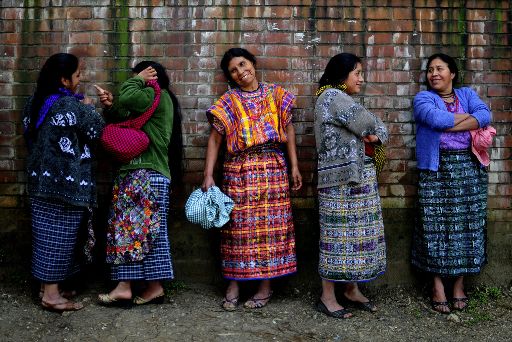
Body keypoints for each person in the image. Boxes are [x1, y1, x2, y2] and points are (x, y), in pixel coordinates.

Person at [202, 48, 302, 311]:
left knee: (271, 232)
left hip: (273, 171)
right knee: (237, 230)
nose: (240, 72)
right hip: (239, 172)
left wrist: (294, 167)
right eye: (233, 70)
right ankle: (233, 284)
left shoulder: (276, 95)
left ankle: (265, 287)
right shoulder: (228, 101)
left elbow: (289, 129)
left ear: (253, 64)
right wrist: (208, 174)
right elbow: (215, 140)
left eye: (243, 64)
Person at [22, 53, 105, 312]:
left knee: (46, 238)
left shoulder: (34, 103)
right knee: (60, 239)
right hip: (66, 187)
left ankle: (49, 288)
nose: (80, 80)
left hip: (39, 182)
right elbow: (98, 130)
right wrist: (91, 107)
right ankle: (51, 295)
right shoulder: (72, 107)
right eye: (77, 75)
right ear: (63, 79)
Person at [97, 61, 183, 306]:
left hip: (143, 173)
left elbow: (131, 98)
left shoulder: (155, 93)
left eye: (140, 76)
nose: (136, 80)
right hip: (149, 174)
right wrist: (112, 106)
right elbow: (124, 115)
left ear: (151, 77)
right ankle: (154, 287)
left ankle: (124, 286)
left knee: (129, 229)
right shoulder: (154, 99)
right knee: (151, 233)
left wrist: (138, 80)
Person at [411, 53, 491, 314]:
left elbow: (485, 115)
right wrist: (466, 120)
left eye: (440, 69)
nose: (434, 74)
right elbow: (435, 120)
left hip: (469, 169)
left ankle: (458, 285)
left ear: (452, 73)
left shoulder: (466, 94)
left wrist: (450, 123)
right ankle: (437, 286)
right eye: (430, 70)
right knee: (433, 228)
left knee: (468, 227)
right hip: (436, 170)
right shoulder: (423, 99)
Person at [314, 53, 388, 319]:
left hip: (356, 178)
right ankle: (327, 297)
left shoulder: (339, 99)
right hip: (340, 182)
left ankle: (350, 290)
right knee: (336, 238)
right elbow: (369, 123)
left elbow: (376, 127)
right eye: (357, 72)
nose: (361, 78)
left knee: (356, 238)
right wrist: (373, 133)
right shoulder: (332, 97)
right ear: (342, 74)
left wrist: (374, 134)